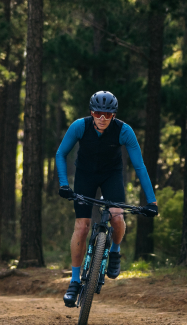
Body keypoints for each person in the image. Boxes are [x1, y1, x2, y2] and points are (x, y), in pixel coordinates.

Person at [55, 90, 158, 307]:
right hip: (85, 175)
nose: (102, 118)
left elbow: (139, 166)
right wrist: (64, 184)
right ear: (91, 112)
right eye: (98, 113)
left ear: (114, 116)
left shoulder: (124, 131)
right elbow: (60, 154)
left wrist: (152, 201)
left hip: (112, 175)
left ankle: (115, 251)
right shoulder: (79, 126)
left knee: (117, 217)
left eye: (108, 115)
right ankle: (74, 281)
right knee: (82, 227)